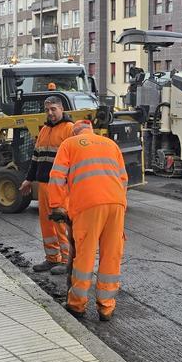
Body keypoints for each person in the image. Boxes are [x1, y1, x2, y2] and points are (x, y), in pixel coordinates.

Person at [48, 120, 128, 321]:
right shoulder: (111, 144)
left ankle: (77, 305)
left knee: (84, 255)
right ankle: (106, 307)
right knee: (111, 255)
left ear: (74, 133)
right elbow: (123, 179)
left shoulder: (70, 143)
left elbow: (57, 176)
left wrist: (57, 205)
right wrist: (118, 202)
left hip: (88, 205)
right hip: (116, 203)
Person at [19, 96, 74, 275]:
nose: (50, 113)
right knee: (47, 224)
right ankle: (52, 258)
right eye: (47, 109)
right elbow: (36, 158)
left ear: (62, 109)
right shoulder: (44, 131)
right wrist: (29, 179)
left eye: (54, 109)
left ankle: (67, 261)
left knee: (61, 223)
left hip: (61, 186)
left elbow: (74, 160)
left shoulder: (69, 129)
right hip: (44, 184)